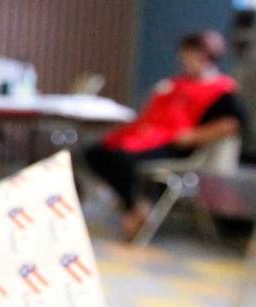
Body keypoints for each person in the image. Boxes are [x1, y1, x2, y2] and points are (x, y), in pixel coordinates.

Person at [84, 30, 245, 240]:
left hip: (178, 145)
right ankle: (136, 206)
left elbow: (233, 123)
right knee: (95, 151)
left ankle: (137, 209)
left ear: (205, 57)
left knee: (121, 159)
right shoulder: (175, 84)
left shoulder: (222, 90)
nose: (184, 60)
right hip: (148, 137)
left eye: (190, 55)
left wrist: (194, 136)